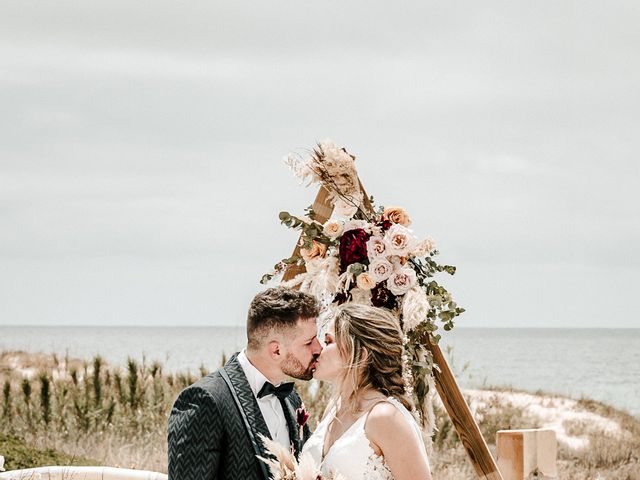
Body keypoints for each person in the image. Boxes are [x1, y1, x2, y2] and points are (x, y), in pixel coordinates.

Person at [168, 287, 323, 480]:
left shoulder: (291, 398)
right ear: (276, 351)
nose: (319, 348)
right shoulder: (204, 400)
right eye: (309, 342)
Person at [303, 303, 433, 480]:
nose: (318, 350)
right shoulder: (334, 409)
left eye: (328, 341)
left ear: (361, 356)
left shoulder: (385, 417)